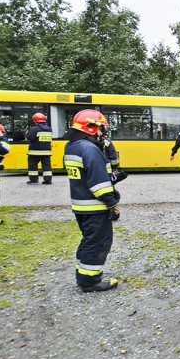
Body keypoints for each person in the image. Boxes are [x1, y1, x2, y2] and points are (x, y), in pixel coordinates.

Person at [64, 109, 121, 292]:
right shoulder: (90, 149)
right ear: (90, 128)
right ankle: (90, 282)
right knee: (98, 242)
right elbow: (98, 183)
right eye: (99, 129)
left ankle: (83, 273)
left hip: (80, 205)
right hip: (95, 206)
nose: (101, 133)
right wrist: (112, 202)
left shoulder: (72, 146)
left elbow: (85, 177)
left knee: (88, 240)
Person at [26, 112, 53, 185]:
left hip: (34, 151)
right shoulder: (49, 129)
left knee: (33, 166)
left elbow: (30, 137)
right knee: (47, 166)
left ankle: (34, 180)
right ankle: (48, 180)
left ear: (35, 120)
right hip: (47, 152)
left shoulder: (34, 129)